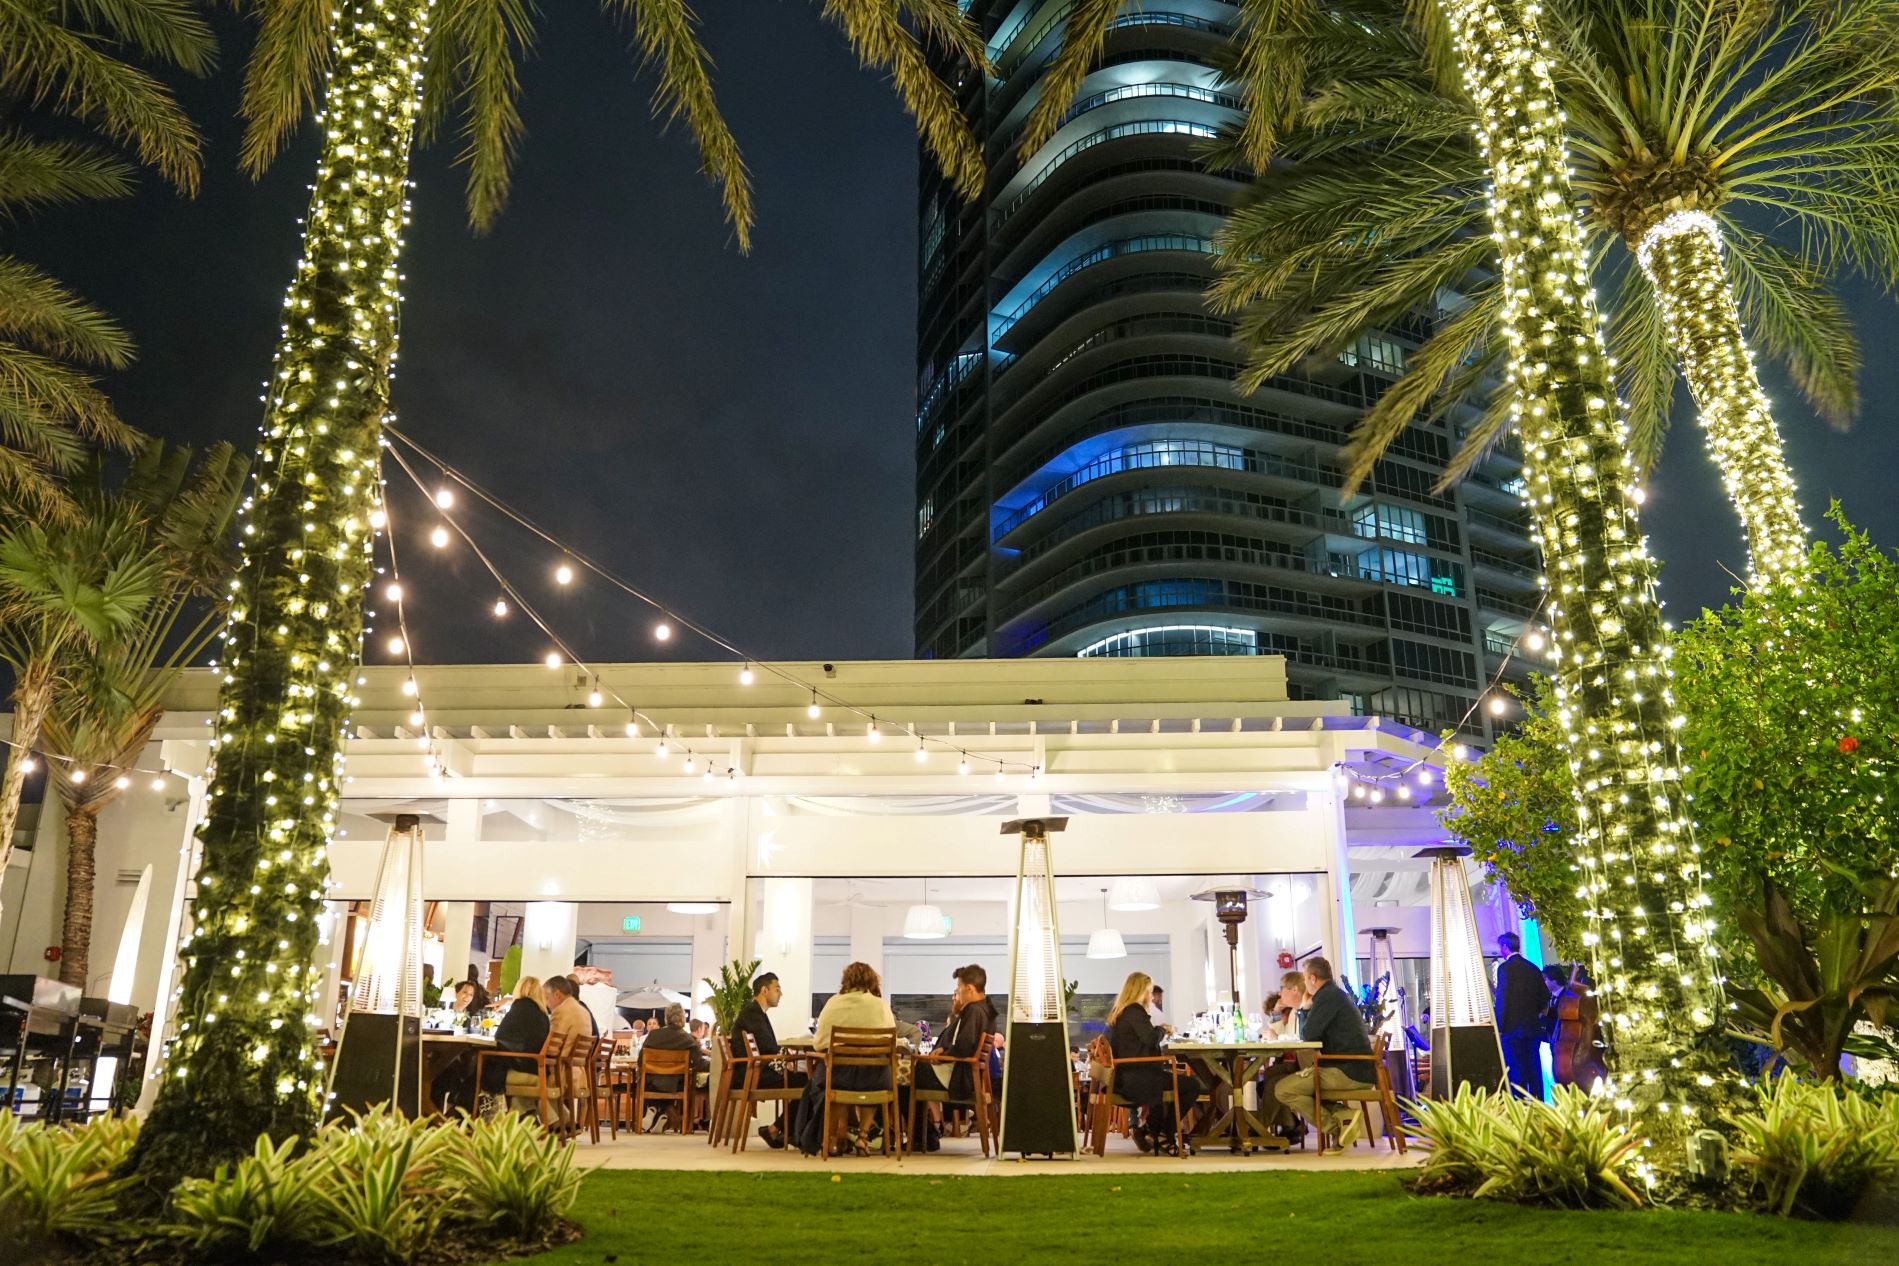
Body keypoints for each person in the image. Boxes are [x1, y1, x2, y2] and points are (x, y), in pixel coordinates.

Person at [1271, 956, 1374, 1147]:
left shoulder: (1326, 997)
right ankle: (1343, 1116)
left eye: (1304, 977)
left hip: (1346, 1071)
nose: (1304, 982)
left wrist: (1303, 1009)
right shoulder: (1333, 994)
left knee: (1283, 1090)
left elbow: (1308, 1036)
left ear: (1312, 978)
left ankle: (1337, 1126)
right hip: (1354, 1068)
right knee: (1301, 1087)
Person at [800, 961, 898, 1156]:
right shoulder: (880, 1006)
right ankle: (863, 1137)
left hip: (839, 1078)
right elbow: (891, 1042)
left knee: (830, 1079)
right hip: (874, 1080)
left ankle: (830, 1140)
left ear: (846, 980)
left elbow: (818, 1044)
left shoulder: (833, 1003)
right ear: (872, 981)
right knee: (876, 1073)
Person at [1107, 970, 1199, 1155]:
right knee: (1191, 1085)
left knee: (1176, 1083)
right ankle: (1163, 1132)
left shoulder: (1122, 1012)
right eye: (1149, 992)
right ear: (1141, 992)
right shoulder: (1134, 1011)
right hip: (1137, 1078)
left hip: (1126, 1076)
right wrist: (1163, 1029)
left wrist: (1158, 1030)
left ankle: (1152, 1130)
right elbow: (1150, 1038)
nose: (1151, 996)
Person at [908, 964, 998, 1151]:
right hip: (968, 1074)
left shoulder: (974, 1011)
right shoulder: (986, 1010)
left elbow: (964, 1047)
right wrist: (944, 1049)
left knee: (907, 1076)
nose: (958, 992)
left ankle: (922, 1137)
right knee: (913, 1072)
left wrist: (941, 1057)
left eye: (959, 988)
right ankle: (925, 1136)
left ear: (969, 988)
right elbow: (963, 1042)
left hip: (959, 1077)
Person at [731, 972, 804, 1149]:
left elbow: (767, 1047)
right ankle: (785, 1131)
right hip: (752, 1074)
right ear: (764, 990)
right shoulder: (753, 1012)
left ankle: (779, 1130)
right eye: (777, 989)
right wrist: (787, 1061)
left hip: (753, 1071)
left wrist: (785, 1061)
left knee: (806, 1081)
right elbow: (768, 1046)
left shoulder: (755, 1012)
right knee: (809, 1083)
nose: (781, 994)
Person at [636, 1002, 709, 1128]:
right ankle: (662, 1112)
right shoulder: (687, 1039)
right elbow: (699, 1063)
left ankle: (655, 1110)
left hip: (650, 1083)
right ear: (682, 1018)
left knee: (649, 1079)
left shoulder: (653, 1035)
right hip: (674, 1086)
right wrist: (716, 1064)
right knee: (683, 1081)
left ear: (667, 1018)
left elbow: (640, 1061)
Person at [1494, 933, 1548, 1099]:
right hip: (1532, 1028)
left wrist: (1499, 1026)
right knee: (1534, 1067)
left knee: (1515, 1071)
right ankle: (1539, 1101)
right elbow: (1544, 996)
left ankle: (1519, 1104)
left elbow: (1502, 998)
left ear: (1505, 946)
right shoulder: (1532, 967)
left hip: (1511, 1029)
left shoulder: (1505, 969)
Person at [487, 976, 550, 1116]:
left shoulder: (521, 1007)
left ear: (519, 989)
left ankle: (468, 1116)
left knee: (481, 1069)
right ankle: (524, 1115)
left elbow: (500, 1036)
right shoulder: (542, 1013)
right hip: (536, 1067)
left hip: (523, 1066)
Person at [1259, 971, 1309, 1138]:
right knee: (1269, 1073)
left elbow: (1296, 1039)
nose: (1280, 994)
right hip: (1298, 1062)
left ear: (1294, 989)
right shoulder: (1295, 1011)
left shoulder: (1304, 1010)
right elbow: (1283, 1034)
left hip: (1308, 1064)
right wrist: (1275, 1013)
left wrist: (1277, 1038)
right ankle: (1290, 1124)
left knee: (1272, 1082)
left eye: (1282, 989)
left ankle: (1259, 1128)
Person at [540, 975, 592, 1134]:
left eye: (547, 997)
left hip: (561, 1071)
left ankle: (556, 1122)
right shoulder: (583, 1011)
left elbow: (552, 1048)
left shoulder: (561, 1012)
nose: (546, 1003)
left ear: (557, 994)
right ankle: (567, 1121)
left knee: (531, 1079)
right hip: (577, 1071)